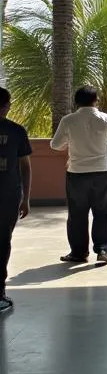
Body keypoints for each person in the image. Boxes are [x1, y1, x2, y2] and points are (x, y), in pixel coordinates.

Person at [51, 85, 107, 266]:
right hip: (102, 172)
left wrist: (71, 140)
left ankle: (78, 252)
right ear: (96, 100)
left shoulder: (68, 120)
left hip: (76, 172)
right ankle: (102, 250)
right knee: (103, 212)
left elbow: (55, 145)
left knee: (77, 214)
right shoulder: (105, 119)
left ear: (76, 102)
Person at [0, 88, 32, 314]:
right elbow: (25, 166)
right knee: (3, 241)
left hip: (10, 195)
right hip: (8, 196)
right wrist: (26, 198)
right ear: (5, 106)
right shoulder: (16, 131)